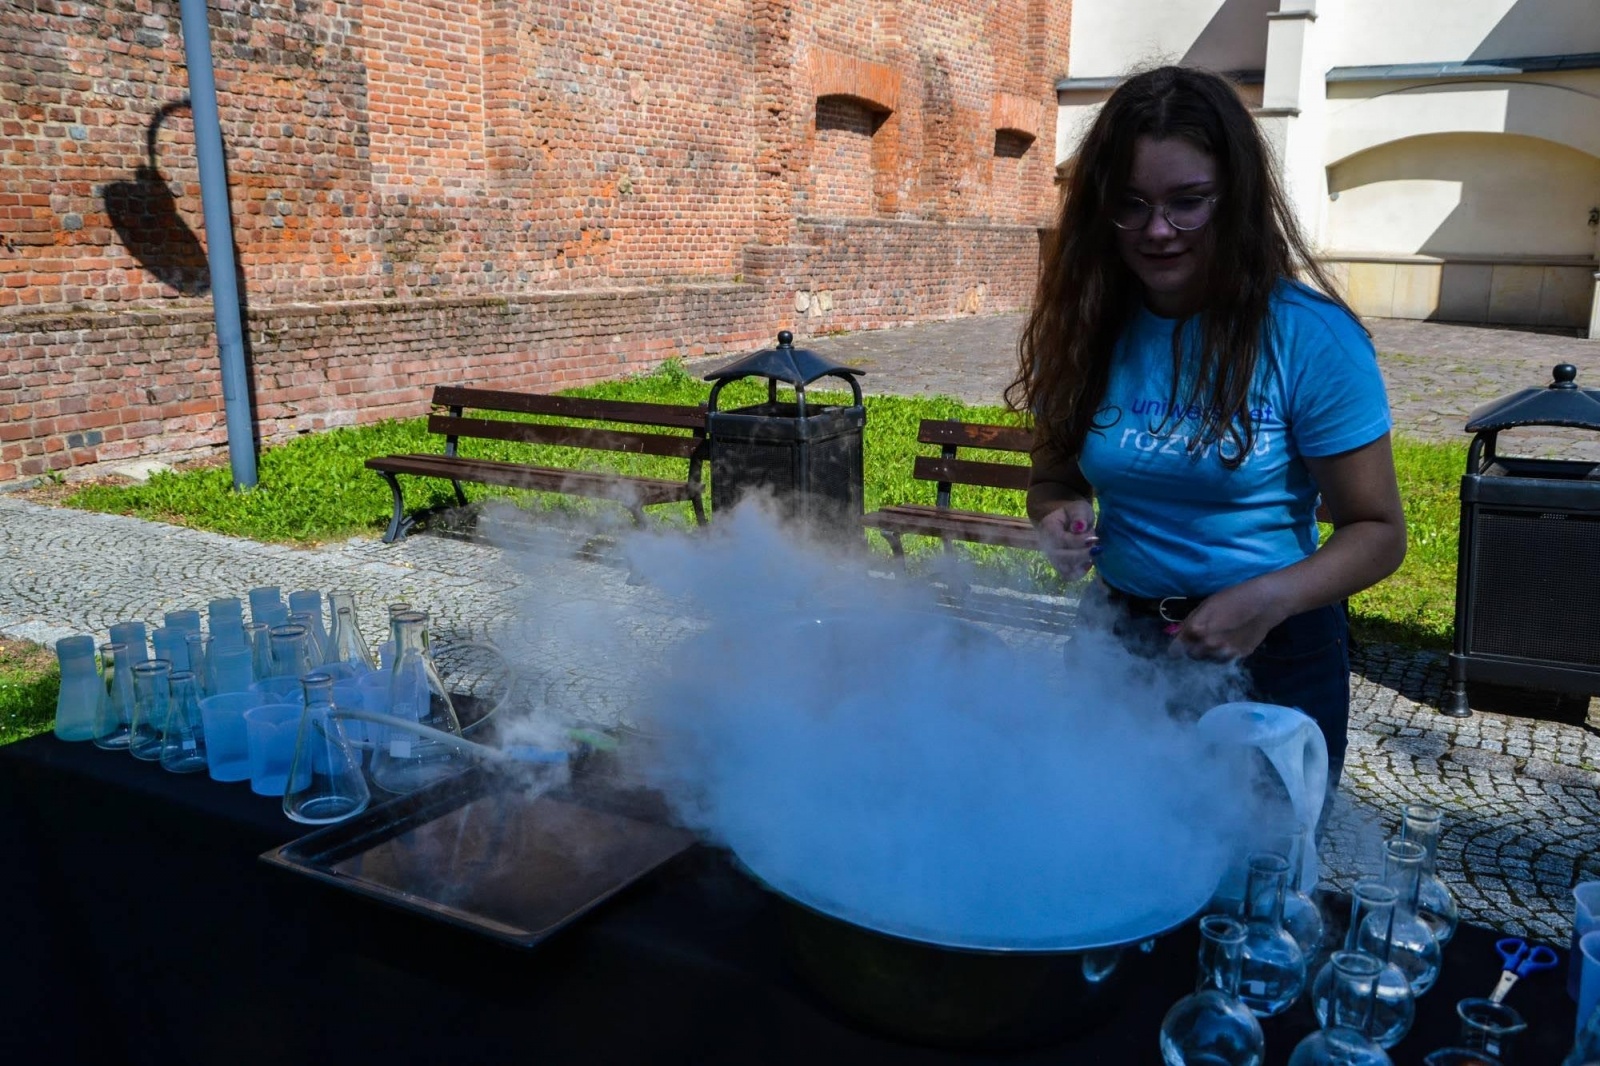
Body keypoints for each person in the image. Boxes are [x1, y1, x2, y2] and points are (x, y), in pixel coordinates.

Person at [1006, 66, 1406, 784]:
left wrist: (1269, 599)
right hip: (1118, 640)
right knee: (1103, 836)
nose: (1157, 230)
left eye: (1188, 202)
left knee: (1254, 853)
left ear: (1237, 199)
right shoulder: (1087, 325)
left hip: (1273, 647)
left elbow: (1377, 532)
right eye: (1130, 205)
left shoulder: (1310, 337)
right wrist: (1058, 515)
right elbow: (1053, 480)